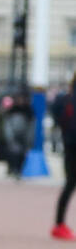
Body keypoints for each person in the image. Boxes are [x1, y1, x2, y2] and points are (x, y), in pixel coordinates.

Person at [50, 72, 76, 240]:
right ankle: (59, 224)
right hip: (72, 144)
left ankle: (59, 224)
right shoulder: (68, 99)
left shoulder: (65, 98)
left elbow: (55, 113)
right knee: (70, 184)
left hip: (69, 143)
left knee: (70, 184)